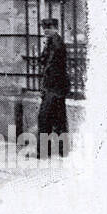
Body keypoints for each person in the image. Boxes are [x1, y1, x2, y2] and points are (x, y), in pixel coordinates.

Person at [38, 18, 70, 157]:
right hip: (58, 88)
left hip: (53, 87)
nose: (45, 30)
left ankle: (44, 152)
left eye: (48, 27)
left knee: (44, 118)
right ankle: (63, 150)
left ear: (55, 28)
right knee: (59, 120)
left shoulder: (55, 42)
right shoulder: (53, 41)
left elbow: (48, 65)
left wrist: (45, 88)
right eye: (44, 27)